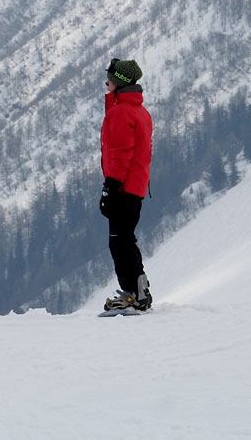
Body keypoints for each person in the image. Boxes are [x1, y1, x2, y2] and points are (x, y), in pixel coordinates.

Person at [100, 57, 153, 312]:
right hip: (135, 186)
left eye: (109, 78)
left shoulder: (122, 112)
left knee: (119, 241)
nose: (106, 82)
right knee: (125, 239)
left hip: (123, 186)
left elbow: (121, 153)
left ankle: (132, 294)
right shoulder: (138, 110)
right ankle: (139, 292)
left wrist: (110, 186)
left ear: (119, 83)